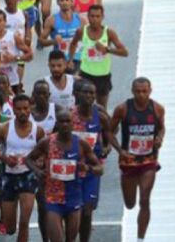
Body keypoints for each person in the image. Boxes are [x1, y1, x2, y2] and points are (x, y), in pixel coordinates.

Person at [25, 108, 103, 242]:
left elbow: (100, 168)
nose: (65, 124)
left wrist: (88, 168)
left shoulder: (81, 144)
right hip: (53, 199)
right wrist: (38, 172)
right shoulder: (47, 142)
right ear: (57, 124)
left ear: (72, 124)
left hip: (74, 199)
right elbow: (28, 159)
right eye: (62, 121)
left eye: (68, 121)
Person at [0, 94, 46, 242]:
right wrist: (4, 159)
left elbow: (44, 151)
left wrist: (39, 162)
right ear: (13, 110)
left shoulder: (38, 131)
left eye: (26, 108)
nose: (23, 112)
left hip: (28, 177)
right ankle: (3, 215)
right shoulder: (4, 129)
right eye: (19, 109)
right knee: (10, 228)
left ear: (30, 109)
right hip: (9, 177)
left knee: (24, 222)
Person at [110, 77, 165, 242]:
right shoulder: (122, 109)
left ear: (150, 91)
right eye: (138, 91)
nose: (141, 95)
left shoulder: (157, 108)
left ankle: (140, 238)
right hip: (129, 161)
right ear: (132, 91)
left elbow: (162, 127)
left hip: (149, 160)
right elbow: (109, 131)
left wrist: (159, 138)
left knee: (145, 200)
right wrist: (120, 150)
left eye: (144, 91)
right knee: (130, 204)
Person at [72, 80, 113, 242]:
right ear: (77, 95)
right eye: (86, 93)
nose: (89, 96)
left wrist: (107, 147)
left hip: (91, 168)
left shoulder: (100, 114)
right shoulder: (69, 116)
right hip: (73, 168)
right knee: (75, 210)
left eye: (92, 93)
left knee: (87, 210)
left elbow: (109, 132)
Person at [68, 4, 128, 109]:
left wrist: (107, 49)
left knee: (101, 107)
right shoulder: (81, 31)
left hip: (103, 75)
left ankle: (102, 125)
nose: (94, 19)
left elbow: (124, 52)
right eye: (92, 16)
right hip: (86, 74)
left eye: (97, 16)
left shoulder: (109, 32)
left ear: (102, 17)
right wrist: (70, 59)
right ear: (88, 16)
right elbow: (73, 44)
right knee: (82, 105)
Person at [41, 0, 85, 72]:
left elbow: (89, 38)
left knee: (76, 82)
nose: (64, 2)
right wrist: (54, 41)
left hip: (78, 57)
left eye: (67, 0)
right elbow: (42, 41)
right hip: (59, 60)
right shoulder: (51, 20)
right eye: (61, 0)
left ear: (72, 2)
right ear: (58, 2)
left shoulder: (80, 19)